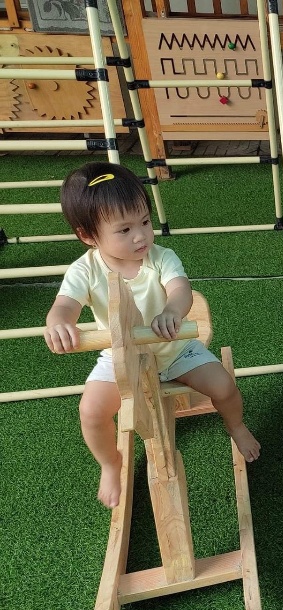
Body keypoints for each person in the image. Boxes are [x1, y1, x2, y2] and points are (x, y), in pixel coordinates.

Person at [44, 162, 260, 509]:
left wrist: (172, 311)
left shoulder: (161, 258)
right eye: (125, 229)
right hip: (121, 357)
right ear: (88, 236)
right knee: (91, 412)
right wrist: (59, 322)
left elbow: (180, 290)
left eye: (145, 222)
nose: (141, 236)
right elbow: (65, 305)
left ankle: (235, 425)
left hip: (174, 350)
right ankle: (110, 463)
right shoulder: (84, 270)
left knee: (224, 386)